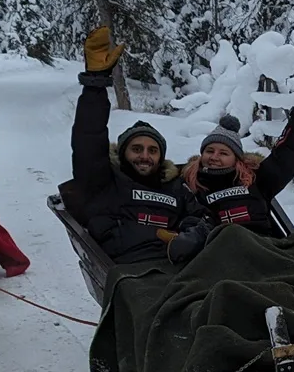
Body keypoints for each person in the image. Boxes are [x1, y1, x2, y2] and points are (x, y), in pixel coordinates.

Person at [67, 26, 206, 265]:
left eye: (153, 151)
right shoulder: (106, 181)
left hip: (178, 264)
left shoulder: (174, 187)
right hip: (130, 267)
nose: (145, 156)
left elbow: (197, 219)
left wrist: (191, 237)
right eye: (137, 149)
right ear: (123, 154)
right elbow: (88, 137)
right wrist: (95, 84)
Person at [165, 82, 294, 260]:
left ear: (236, 158)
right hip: (220, 257)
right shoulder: (190, 182)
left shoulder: (256, 179)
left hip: (265, 251)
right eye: (209, 151)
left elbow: (287, 155)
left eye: (223, 153)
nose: (214, 157)